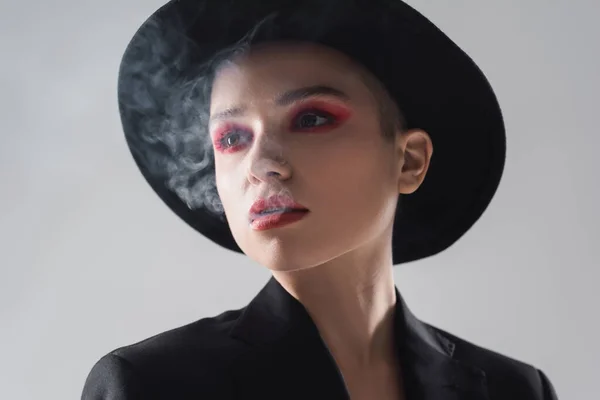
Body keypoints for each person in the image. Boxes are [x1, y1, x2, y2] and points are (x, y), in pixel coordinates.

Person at [81, 0, 559, 399]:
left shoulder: (513, 390)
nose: (262, 164)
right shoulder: (154, 387)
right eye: (230, 138)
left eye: (311, 119)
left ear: (409, 161)